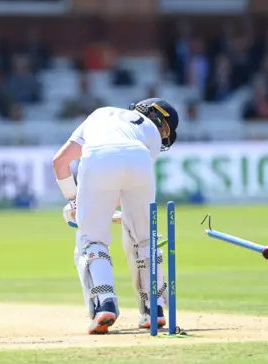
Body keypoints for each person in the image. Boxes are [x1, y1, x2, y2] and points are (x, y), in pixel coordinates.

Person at [52, 98, 179, 334]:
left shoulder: (100, 115)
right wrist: (99, 207)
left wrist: (75, 201)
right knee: (144, 238)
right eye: (164, 130)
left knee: (91, 237)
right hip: (138, 160)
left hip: (98, 157)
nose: (162, 136)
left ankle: (105, 305)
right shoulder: (148, 131)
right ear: (155, 117)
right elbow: (127, 182)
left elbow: (59, 161)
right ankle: (155, 310)